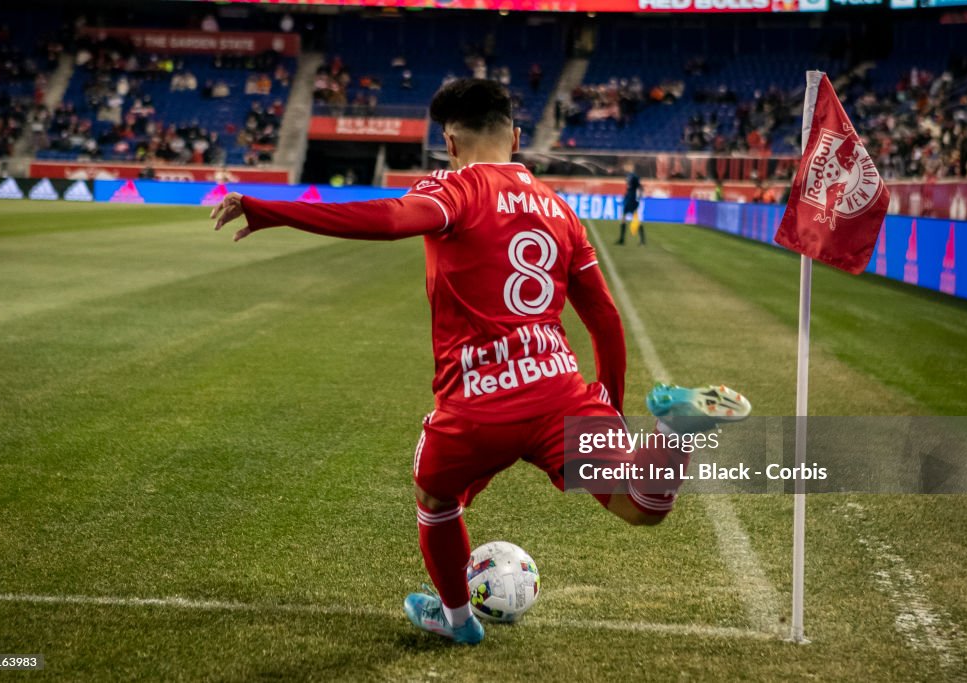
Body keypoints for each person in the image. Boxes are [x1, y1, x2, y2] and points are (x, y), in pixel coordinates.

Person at [210, 79, 749, 645]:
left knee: (435, 499)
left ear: (449, 142)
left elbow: (392, 219)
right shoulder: (562, 211)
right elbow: (606, 321)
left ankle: (460, 622)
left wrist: (274, 211)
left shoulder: (456, 189)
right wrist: (608, 409)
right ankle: (673, 431)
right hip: (559, 389)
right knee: (641, 507)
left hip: (478, 403)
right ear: (516, 137)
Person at [617, 171, 643, 245]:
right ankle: (622, 239)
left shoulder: (635, 179)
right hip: (628, 200)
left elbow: (639, 188)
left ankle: (642, 240)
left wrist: (638, 200)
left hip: (632, 201)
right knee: (623, 219)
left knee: (636, 220)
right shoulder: (629, 177)